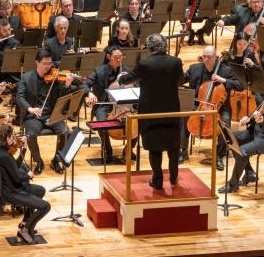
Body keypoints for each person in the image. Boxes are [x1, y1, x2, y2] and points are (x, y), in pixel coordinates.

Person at [118, 34, 183, 188]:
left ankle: (158, 179)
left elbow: (129, 79)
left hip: (150, 111)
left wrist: (121, 78)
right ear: (165, 45)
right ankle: (173, 178)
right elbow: (181, 80)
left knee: (155, 145)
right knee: (173, 145)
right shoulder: (175, 62)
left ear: (150, 47)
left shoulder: (145, 64)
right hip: (171, 110)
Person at [219, 71, 264, 193]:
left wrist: (262, 122)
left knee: (242, 152)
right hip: (257, 133)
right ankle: (249, 172)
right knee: (231, 138)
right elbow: (258, 113)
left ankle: (233, 184)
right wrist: (248, 119)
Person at [15, 48, 84, 175]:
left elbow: (62, 97)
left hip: (52, 115)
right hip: (34, 117)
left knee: (64, 132)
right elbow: (19, 97)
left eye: (50, 63)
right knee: (30, 135)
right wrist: (30, 108)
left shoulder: (56, 78)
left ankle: (56, 160)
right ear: (37, 62)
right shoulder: (27, 78)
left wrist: (68, 85)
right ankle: (39, 161)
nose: (48, 66)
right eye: (45, 63)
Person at [183, 45, 242, 170]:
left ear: (215, 57)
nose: (205, 59)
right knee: (183, 117)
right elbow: (181, 79)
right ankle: (183, 151)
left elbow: (240, 85)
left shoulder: (226, 70)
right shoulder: (194, 68)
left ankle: (219, 156)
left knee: (225, 123)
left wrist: (224, 80)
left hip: (220, 107)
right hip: (199, 104)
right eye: (203, 56)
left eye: (208, 57)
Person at [0, 123, 50, 244]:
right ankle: (25, 230)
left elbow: (14, 167)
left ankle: (25, 221)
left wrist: (24, 149)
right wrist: (28, 175)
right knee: (45, 206)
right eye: (11, 136)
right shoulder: (5, 156)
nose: (13, 138)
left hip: (8, 188)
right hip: (11, 192)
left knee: (40, 191)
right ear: (5, 138)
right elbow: (18, 178)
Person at [86, 47, 135, 163]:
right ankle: (107, 148)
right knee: (101, 123)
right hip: (105, 104)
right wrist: (90, 93)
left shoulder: (126, 71)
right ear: (108, 57)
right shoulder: (99, 71)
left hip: (124, 105)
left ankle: (128, 149)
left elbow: (137, 84)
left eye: (120, 57)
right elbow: (86, 84)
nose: (119, 60)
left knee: (138, 123)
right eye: (116, 57)